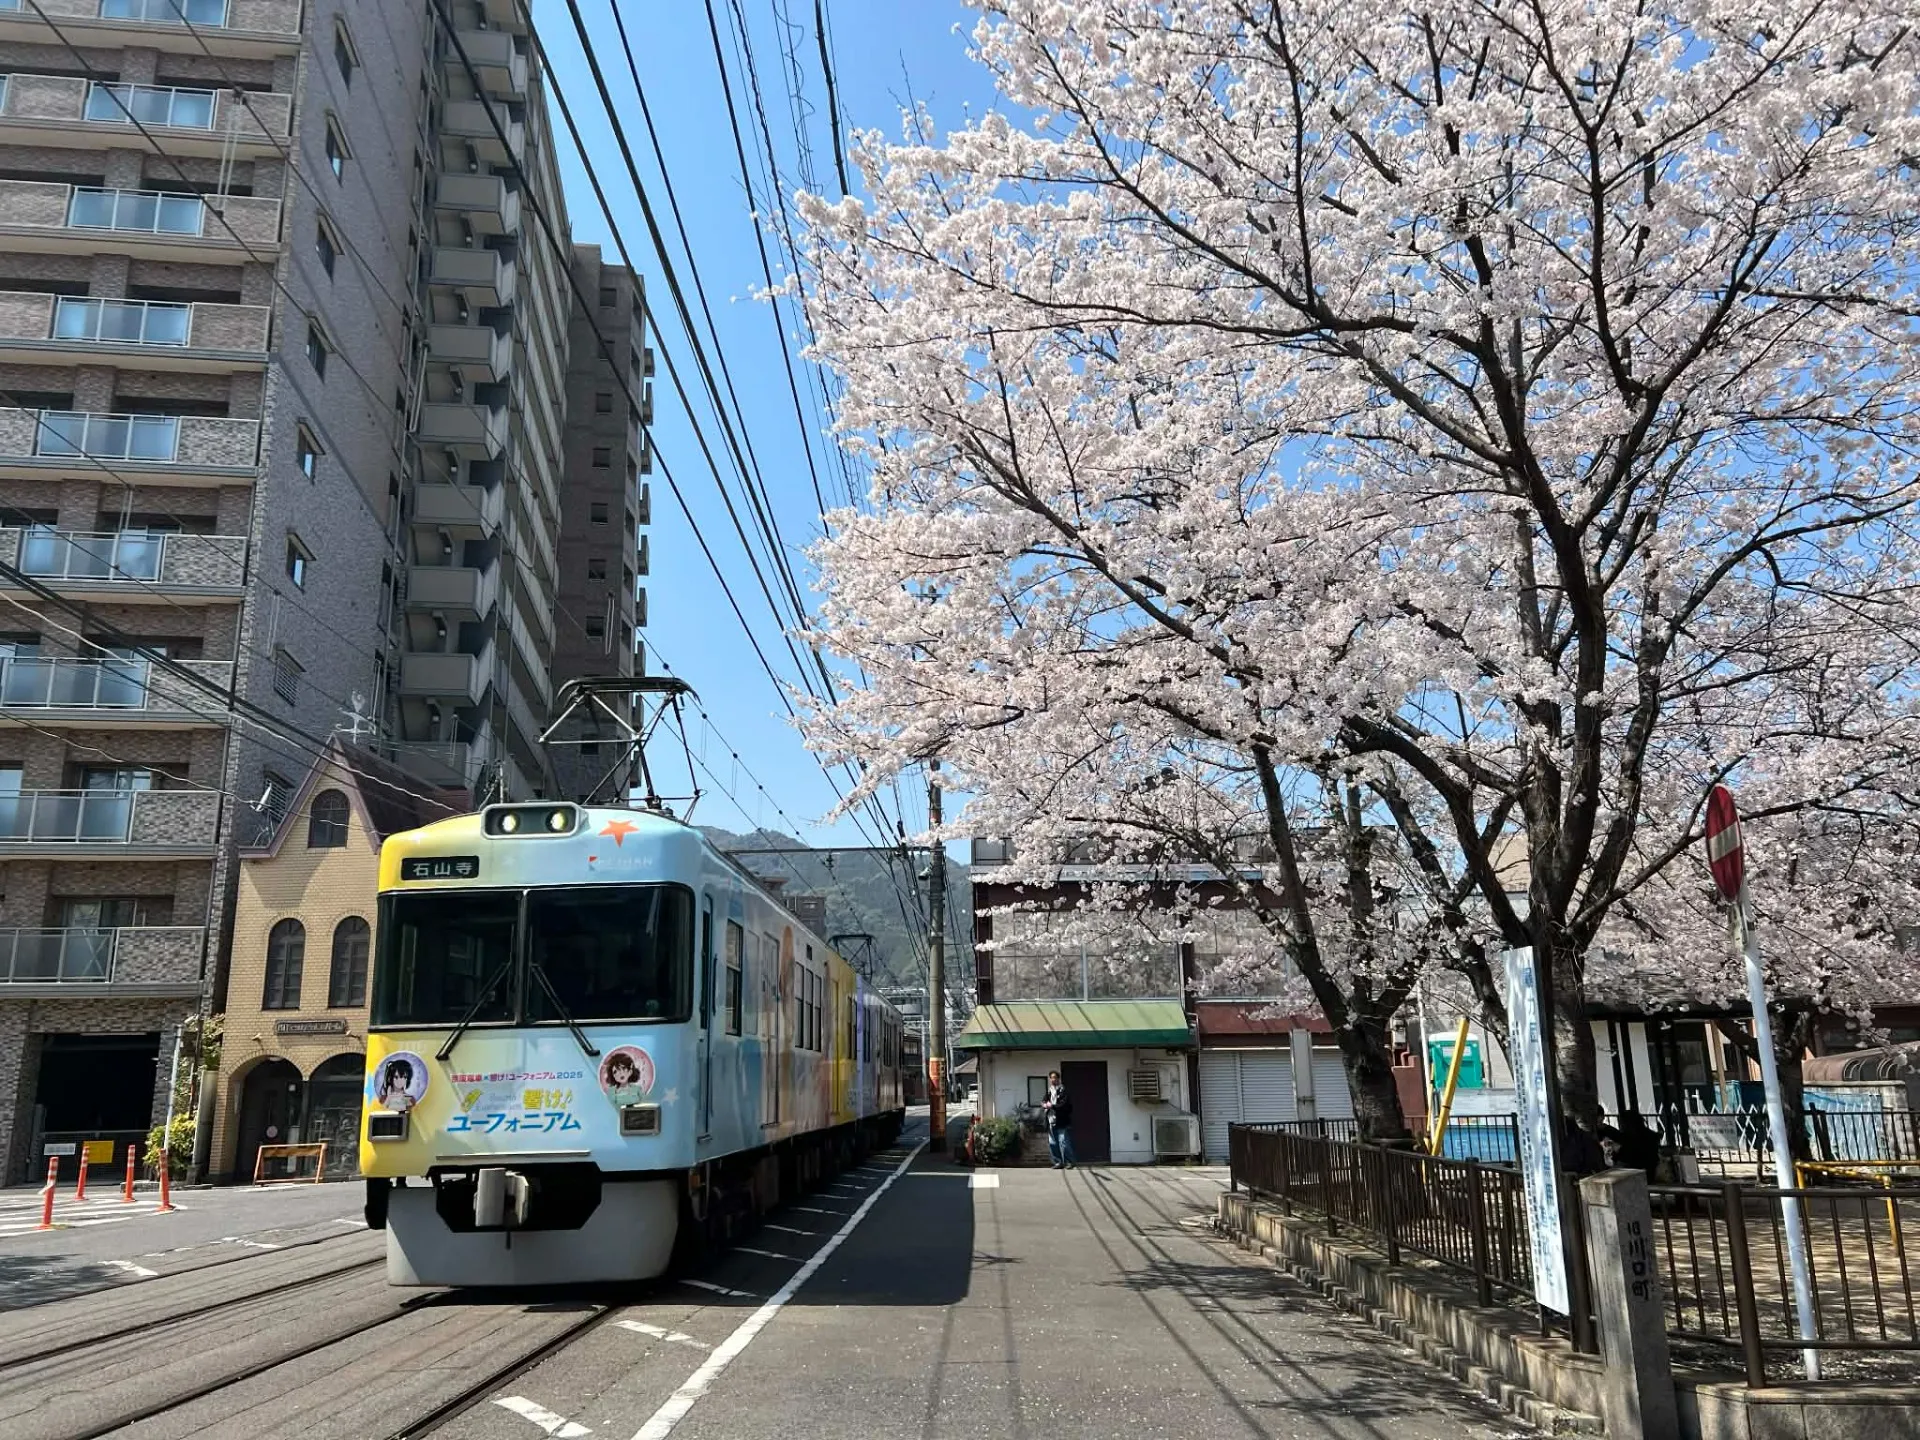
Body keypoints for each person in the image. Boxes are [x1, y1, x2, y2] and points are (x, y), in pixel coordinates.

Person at [1042, 1070, 1077, 1169]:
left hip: (1062, 1120)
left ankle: (1070, 1161)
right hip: (1051, 1119)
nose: (1053, 1079)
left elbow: (1063, 1105)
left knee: (1063, 1141)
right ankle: (1058, 1162)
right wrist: (1044, 1104)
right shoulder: (1050, 1090)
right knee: (1053, 1142)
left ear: (1058, 1079)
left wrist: (1051, 1106)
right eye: (1051, 1078)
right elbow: (1044, 1100)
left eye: (1055, 1077)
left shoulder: (1063, 1090)